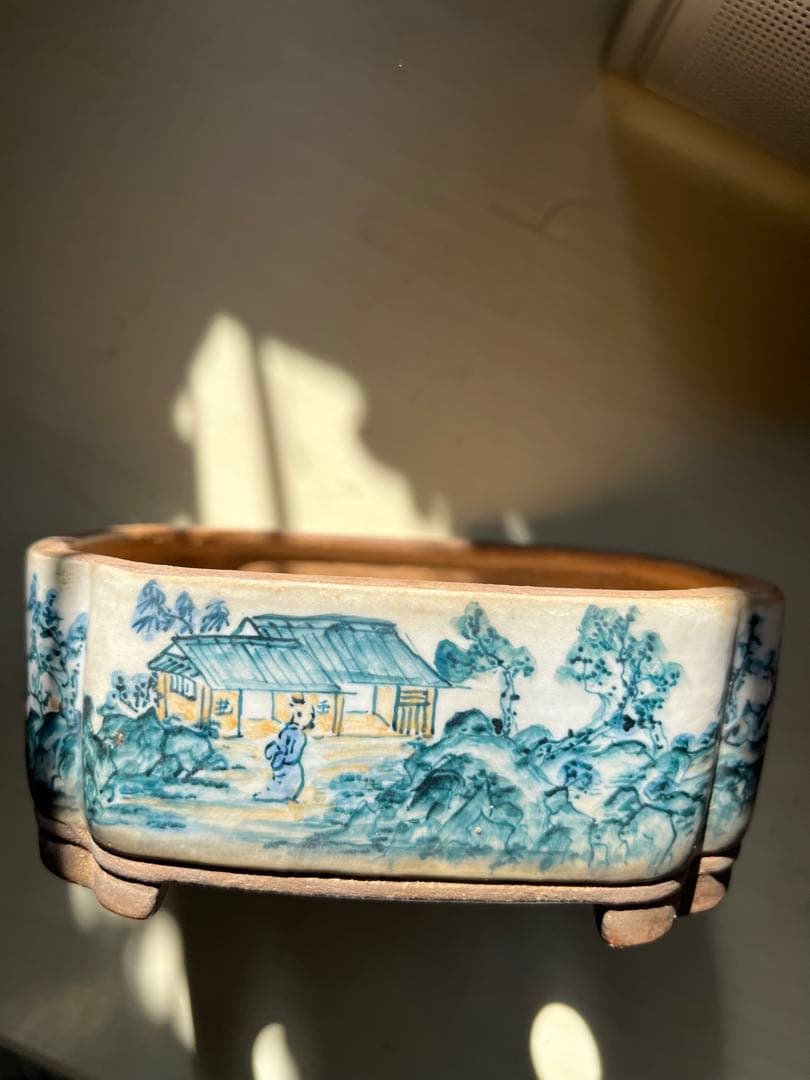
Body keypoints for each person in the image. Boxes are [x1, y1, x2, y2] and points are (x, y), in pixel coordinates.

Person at [254, 695, 314, 802]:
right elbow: (280, 744)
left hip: (291, 771)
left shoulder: (299, 735)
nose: (293, 717)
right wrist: (273, 749)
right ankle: (273, 790)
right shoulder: (287, 731)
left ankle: (284, 794)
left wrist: (281, 757)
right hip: (282, 770)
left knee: (285, 781)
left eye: (299, 715)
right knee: (278, 779)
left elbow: (293, 755)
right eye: (293, 713)